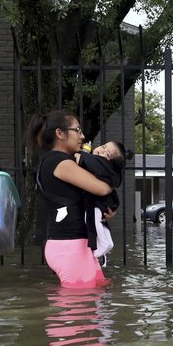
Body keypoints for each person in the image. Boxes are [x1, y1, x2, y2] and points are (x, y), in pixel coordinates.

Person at [34, 110, 114, 288]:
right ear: (59, 133)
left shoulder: (59, 161)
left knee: (98, 294)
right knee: (76, 307)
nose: (82, 135)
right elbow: (101, 188)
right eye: (77, 130)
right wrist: (112, 179)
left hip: (74, 245)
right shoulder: (59, 162)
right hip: (68, 247)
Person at [77, 141, 130, 258]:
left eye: (107, 154)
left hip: (98, 203)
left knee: (93, 220)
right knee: (101, 223)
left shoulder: (99, 163)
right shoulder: (109, 170)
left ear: (109, 162)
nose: (102, 151)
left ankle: (103, 244)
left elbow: (84, 160)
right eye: (104, 147)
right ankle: (108, 242)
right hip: (105, 203)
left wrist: (84, 151)